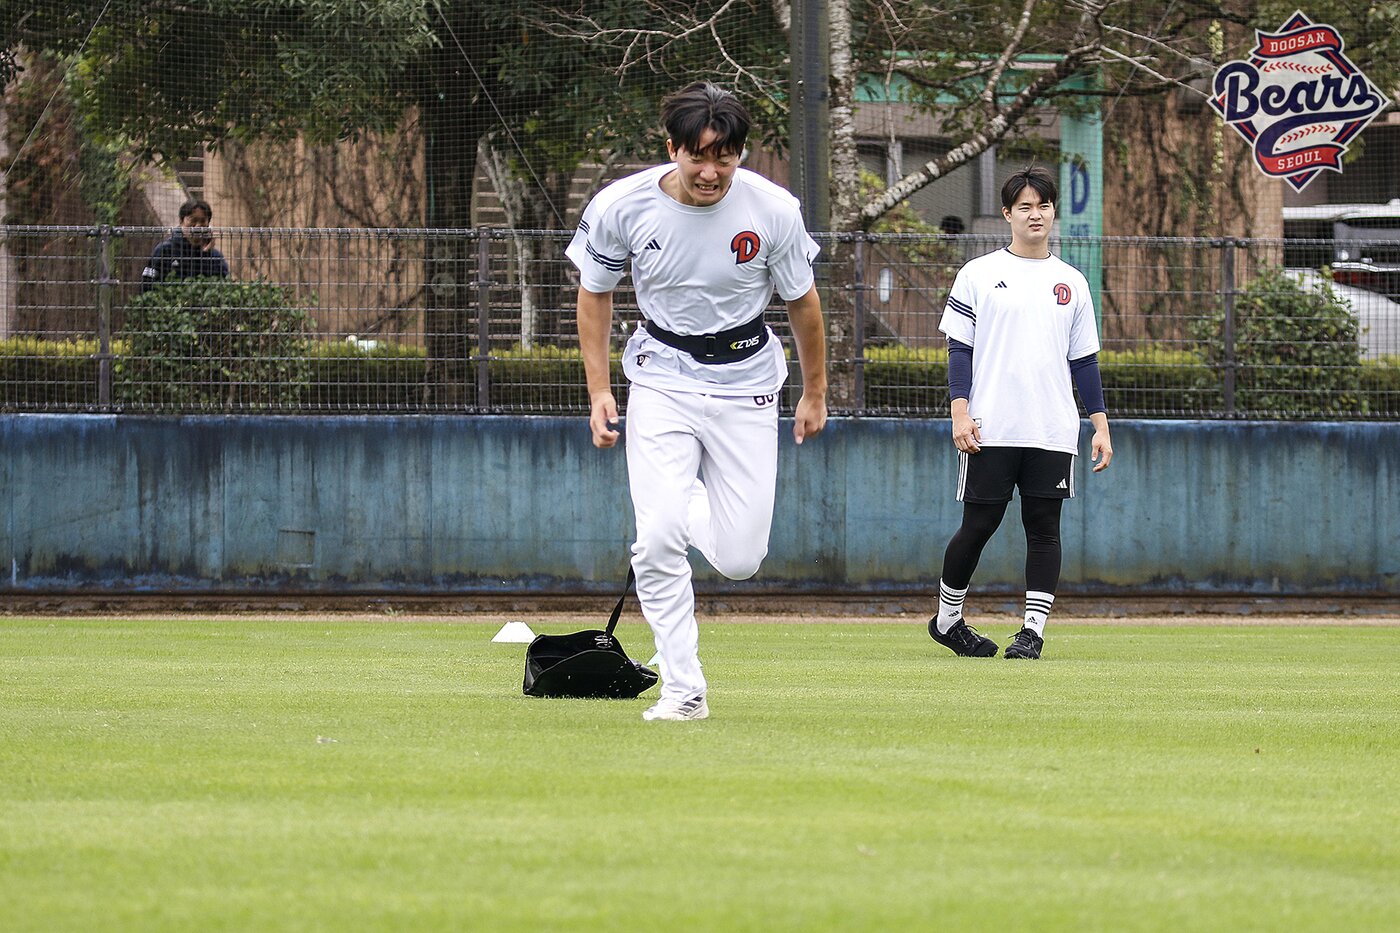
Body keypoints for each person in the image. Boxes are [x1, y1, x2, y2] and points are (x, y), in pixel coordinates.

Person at [568, 81, 828, 721]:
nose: (712, 172)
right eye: (699, 157)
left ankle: (678, 497)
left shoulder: (774, 209)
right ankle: (684, 689)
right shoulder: (621, 206)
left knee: (740, 560)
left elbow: (803, 304)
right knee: (655, 542)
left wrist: (816, 391)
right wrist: (599, 389)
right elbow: (594, 294)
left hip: (748, 383)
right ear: (672, 150)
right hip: (661, 375)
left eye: (727, 157)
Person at [928, 165, 1112, 660]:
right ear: (1008, 213)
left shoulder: (1071, 281)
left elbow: (1085, 361)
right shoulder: (979, 273)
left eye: (1044, 205)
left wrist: (1099, 425)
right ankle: (948, 620)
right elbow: (959, 349)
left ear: (1054, 213)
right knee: (979, 525)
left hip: (1052, 428)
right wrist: (960, 412)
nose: (1036, 214)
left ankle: (1032, 632)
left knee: (1044, 527)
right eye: (1025, 206)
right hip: (991, 426)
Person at [140, 198, 229, 291]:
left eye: (203, 221)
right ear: (181, 221)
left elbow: (225, 286)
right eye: (193, 220)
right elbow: (147, 284)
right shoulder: (164, 250)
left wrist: (205, 253)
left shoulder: (215, 256)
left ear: (208, 223)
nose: (198, 226)